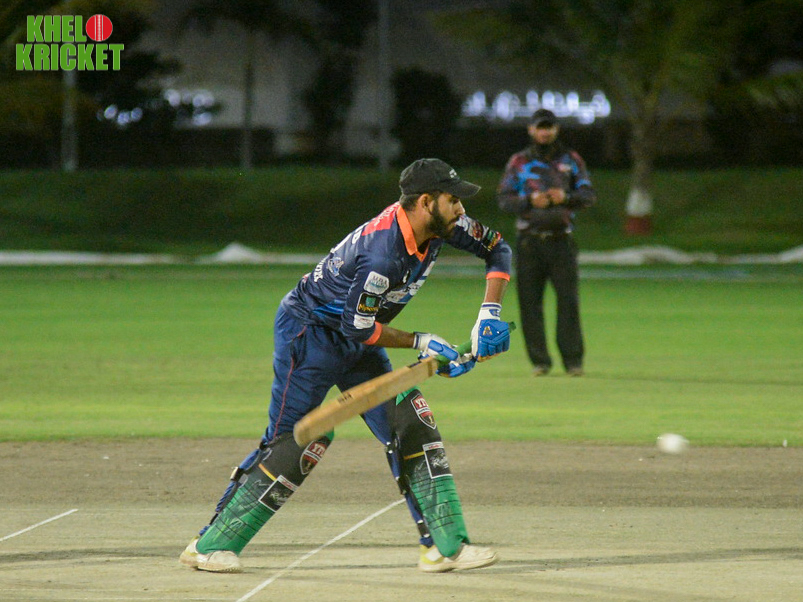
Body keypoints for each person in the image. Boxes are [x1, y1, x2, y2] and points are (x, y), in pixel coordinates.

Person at [179, 158, 513, 574]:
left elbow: (498, 247)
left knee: (409, 419)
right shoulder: (383, 253)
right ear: (426, 202)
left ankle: (444, 548)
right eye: (453, 200)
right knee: (295, 441)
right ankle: (209, 544)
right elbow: (358, 328)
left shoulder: (444, 224)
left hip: (359, 335)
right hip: (310, 335)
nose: (461, 208)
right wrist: (421, 341)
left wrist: (489, 313)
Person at [496, 108, 597, 376]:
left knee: (568, 302)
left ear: (556, 130)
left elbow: (588, 195)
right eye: (540, 127)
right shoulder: (519, 161)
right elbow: (504, 199)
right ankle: (540, 362)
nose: (545, 132)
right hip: (529, 242)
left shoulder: (571, 159)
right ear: (531, 130)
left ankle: (573, 362)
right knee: (530, 304)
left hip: (561, 241)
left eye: (549, 127)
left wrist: (565, 197)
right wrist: (530, 201)